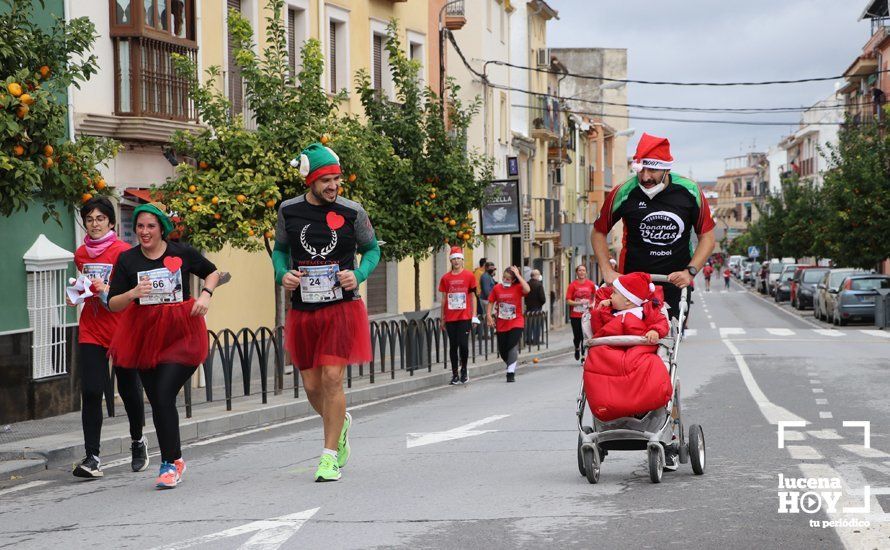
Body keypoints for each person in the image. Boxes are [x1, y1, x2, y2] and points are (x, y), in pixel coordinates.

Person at [273, 143, 380, 482]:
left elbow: (372, 250)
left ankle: (329, 456)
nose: (333, 186)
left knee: (333, 378)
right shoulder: (288, 211)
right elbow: (280, 250)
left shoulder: (353, 212)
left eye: (337, 179)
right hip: (303, 310)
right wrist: (281, 273)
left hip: (341, 308)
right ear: (311, 181)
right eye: (326, 180)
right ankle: (341, 421)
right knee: (311, 384)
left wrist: (358, 274)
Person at [107, 202, 220, 489]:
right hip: (143, 334)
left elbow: (212, 272)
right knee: (158, 399)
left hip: (182, 331)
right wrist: (132, 292)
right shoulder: (128, 260)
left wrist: (205, 296)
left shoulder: (180, 253)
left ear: (162, 229)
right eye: (140, 227)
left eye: (151, 227)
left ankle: (169, 463)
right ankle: (176, 458)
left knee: (163, 391)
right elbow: (113, 304)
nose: (144, 232)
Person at [591, 133, 716, 319]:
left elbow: (708, 237)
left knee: (668, 338)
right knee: (629, 336)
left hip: (675, 282)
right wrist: (607, 270)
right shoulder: (624, 191)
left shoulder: (689, 191)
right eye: (641, 170)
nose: (645, 177)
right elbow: (598, 232)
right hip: (632, 282)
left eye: (652, 171)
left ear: (666, 170)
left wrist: (690, 272)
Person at [69, 197, 147, 479]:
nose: (95, 224)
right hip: (91, 327)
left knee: (128, 391)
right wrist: (76, 294)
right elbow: (86, 287)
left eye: (100, 219)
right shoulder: (80, 254)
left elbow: (133, 289)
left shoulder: (125, 252)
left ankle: (138, 441)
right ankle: (92, 458)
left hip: (122, 327)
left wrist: (109, 289)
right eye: (89, 219)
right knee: (90, 391)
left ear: (111, 222)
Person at [583, 272, 674, 467]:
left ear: (627, 301)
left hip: (638, 351)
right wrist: (600, 310)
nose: (610, 296)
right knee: (596, 358)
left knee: (650, 365)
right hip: (610, 352)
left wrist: (654, 331)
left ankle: (646, 410)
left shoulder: (646, 311)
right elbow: (598, 330)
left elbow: (661, 323)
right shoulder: (610, 313)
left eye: (614, 293)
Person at [438, 246, 478, 385]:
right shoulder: (445, 278)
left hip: (465, 316)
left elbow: (473, 297)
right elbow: (443, 299)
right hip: (450, 317)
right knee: (453, 346)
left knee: (463, 344)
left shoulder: (469, 276)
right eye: (453, 259)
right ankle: (454, 374)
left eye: (458, 259)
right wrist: (442, 318)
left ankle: (464, 370)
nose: (456, 261)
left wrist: (474, 315)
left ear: (462, 260)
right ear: (450, 261)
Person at [486, 266, 530, 382]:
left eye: (509, 278)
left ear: (514, 280)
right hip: (502, 322)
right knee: (503, 350)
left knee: (512, 344)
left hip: (516, 321)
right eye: (504, 277)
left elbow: (528, 289)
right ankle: (511, 363)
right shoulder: (497, 288)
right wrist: (489, 315)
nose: (506, 280)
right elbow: (491, 302)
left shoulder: (518, 287)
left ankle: (510, 373)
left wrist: (519, 276)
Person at [565, 265, 596, 361]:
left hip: (586, 314)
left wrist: (592, 304)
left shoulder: (591, 284)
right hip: (575, 315)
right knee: (577, 336)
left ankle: (583, 356)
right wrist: (578, 303)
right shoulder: (572, 285)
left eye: (583, 270)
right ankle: (577, 348)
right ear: (576, 272)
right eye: (579, 270)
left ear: (586, 272)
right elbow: (568, 301)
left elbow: (595, 297)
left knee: (584, 335)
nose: (582, 272)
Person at [524, 269, 546, 345]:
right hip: (537, 307)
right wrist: (541, 304)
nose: (540, 276)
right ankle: (536, 341)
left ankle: (528, 340)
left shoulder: (527, 284)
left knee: (529, 325)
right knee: (537, 325)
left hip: (528, 307)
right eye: (539, 274)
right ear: (536, 275)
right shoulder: (539, 285)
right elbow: (542, 298)